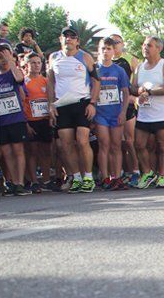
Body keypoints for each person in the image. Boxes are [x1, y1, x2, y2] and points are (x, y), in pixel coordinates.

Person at [47, 26, 100, 193]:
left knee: (83, 140)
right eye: (65, 36)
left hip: (81, 103)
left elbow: (96, 81)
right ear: (60, 39)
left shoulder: (85, 57)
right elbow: (50, 82)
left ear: (78, 40)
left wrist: (92, 103)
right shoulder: (53, 57)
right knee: (65, 143)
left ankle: (88, 177)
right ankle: (76, 177)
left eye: (72, 36)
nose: (68, 39)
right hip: (62, 105)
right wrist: (51, 104)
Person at [131, 36, 164, 188]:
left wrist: (149, 92)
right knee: (138, 144)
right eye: (144, 45)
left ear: (158, 48)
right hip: (144, 114)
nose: (145, 48)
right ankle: (148, 173)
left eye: (149, 45)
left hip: (161, 114)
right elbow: (133, 87)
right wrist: (138, 91)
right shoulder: (139, 67)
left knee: (163, 145)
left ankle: (162, 176)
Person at [93, 37, 131, 189]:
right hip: (100, 113)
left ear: (113, 51)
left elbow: (126, 93)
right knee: (104, 144)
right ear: (99, 50)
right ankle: (105, 177)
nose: (105, 52)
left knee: (116, 145)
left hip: (116, 113)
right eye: (103, 48)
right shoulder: (94, 69)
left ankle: (117, 177)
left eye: (108, 49)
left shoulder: (119, 70)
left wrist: (123, 112)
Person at [0, 43, 30, 195]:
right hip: (1, 122)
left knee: (18, 150)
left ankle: (20, 183)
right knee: (7, 152)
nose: (2, 60)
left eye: (5, 56)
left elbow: (19, 78)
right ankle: (13, 182)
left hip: (16, 119)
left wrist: (11, 61)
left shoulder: (14, 72)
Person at [110, 34, 141, 185]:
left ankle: (135, 170)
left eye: (117, 42)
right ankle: (119, 172)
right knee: (116, 142)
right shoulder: (104, 62)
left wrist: (134, 97)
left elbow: (137, 81)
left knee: (129, 141)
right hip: (110, 106)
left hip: (128, 104)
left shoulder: (130, 59)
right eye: (111, 43)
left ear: (122, 44)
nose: (114, 45)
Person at [21, 53, 52, 192]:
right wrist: (26, 124)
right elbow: (21, 104)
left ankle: (46, 180)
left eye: (38, 62)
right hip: (31, 121)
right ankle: (34, 181)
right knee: (32, 152)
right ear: (27, 65)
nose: (36, 65)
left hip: (45, 120)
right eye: (33, 63)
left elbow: (52, 100)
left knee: (46, 151)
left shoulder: (46, 81)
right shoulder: (24, 82)